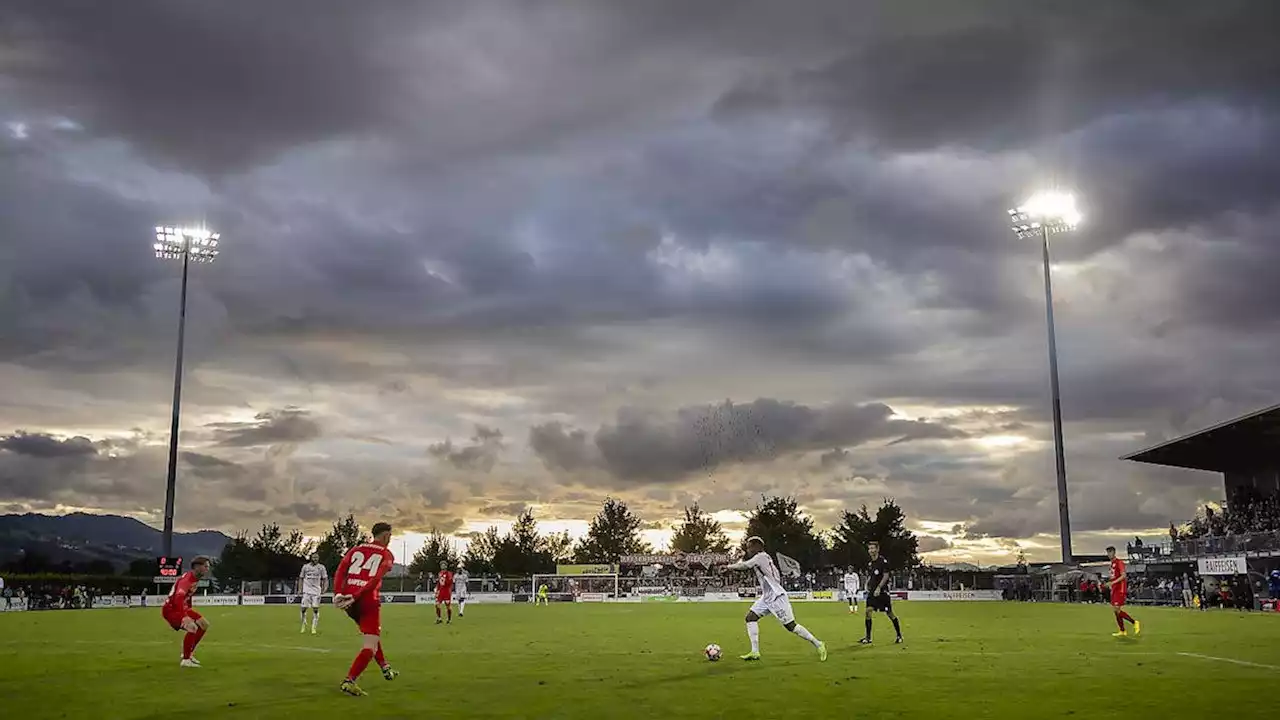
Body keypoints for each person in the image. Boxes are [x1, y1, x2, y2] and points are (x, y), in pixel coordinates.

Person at [720, 536, 826, 662]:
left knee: (790, 626)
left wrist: (728, 567)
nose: (748, 550)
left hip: (777, 596)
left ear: (757, 547)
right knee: (750, 617)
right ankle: (755, 652)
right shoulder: (762, 558)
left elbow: (746, 565)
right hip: (767, 597)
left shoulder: (761, 556)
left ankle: (819, 644)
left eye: (749, 547)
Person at [333, 522, 399, 696]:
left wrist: (338, 593)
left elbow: (341, 570)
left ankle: (385, 667)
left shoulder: (355, 549)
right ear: (385, 536)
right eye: (390, 537)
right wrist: (357, 595)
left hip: (348, 600)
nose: (390, 540)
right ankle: (350, 680)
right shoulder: (386, 554)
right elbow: (375, 579)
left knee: (372, 635)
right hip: (367, 600)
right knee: (370, 644)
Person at [162, 556, 212, 668]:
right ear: (197, 567)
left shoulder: (194, 579)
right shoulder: (187, 580)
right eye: (205, 566)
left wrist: (188, 609)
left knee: (204, 624)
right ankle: (185, 660)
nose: (207, 569)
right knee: (192, 627)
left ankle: (188, 654)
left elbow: (186, 597)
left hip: (181, 607)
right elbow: (178, 599)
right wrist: (184, 616)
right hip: (172, 609)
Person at [860, 541, 903, 645]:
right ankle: (868, 637)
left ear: (877, 549)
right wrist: (867, 583)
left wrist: (879, 587)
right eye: (869, 549)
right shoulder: (870, 563)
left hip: (882, 592)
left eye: (872, 548)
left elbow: (886, 575)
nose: (871, 551)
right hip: (872, 591)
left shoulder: (883, 562)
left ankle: (899, 635)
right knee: (868, 611)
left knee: (890, 613)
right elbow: (871, 575)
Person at [1101, 546, 1140, 638]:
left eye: (1110, 552)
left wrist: (1112, 583)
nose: (1109, 554)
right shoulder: (1111, 564)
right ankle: (1122, 630)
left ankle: (1134, 622)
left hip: (1120, 588)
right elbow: (1113, 576)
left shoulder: (1119, 562)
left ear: (1114, 552)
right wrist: (1109, 584)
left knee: (1117, 609)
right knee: (1116, 611)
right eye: (1108, 552)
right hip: (1114, 588)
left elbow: (1123, 576)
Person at [298, 553, 328, 635]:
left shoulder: (321, 567)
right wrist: (300, 589)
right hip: (306, 591)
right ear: (311, 558)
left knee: (315, 608)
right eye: (314, 557)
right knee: (303, 608)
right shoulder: (305, 567)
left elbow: (325, 578)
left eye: (317, 557)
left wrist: (325, 588)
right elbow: (301, 578)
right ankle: (303, 624)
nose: (315, 559)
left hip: (316, 591)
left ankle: (313, 628)